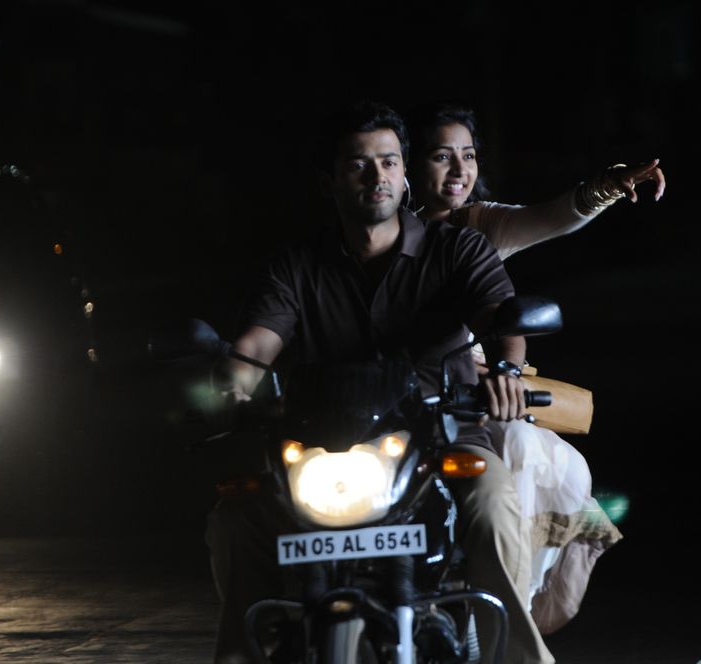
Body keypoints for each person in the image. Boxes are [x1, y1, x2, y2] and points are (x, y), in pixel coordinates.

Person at [207, 101, 553, 664]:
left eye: (389, 162)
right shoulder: (297, 264)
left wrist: (509, 372)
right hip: (321, 451)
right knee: (233, 517)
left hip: (441, 441)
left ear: (405, 172)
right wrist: (232, 386)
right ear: (329, 182)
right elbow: (256, 345)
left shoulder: (456, 249)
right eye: (359, 165)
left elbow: (502, 318)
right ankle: (240, 654)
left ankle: (518, 656)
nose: (378, 177)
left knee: (492, 502)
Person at [405, 103, 666, 632]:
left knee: (530, 452)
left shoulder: (475, 228)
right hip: (385, 393)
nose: (459, 170)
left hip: (467, 397)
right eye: (441, 156)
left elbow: (549, 219)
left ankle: (507, 614)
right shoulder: (372, 231)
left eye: (468, 156)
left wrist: (609, 186)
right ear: (407, 163)